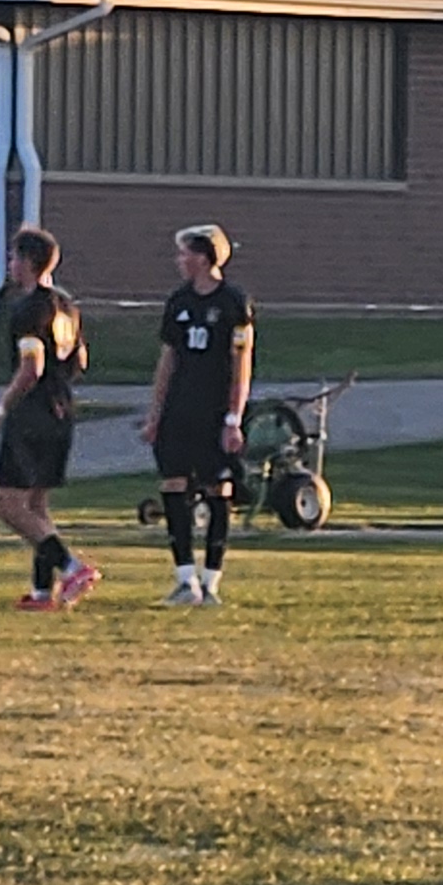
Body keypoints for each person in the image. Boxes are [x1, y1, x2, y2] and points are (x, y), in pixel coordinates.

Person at [0, 226, 98, 611]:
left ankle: (73, 567)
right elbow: (81, 360)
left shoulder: (29, 309)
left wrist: (0, 410)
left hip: (32, 413)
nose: (10, 265)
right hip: (61, 409)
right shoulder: (66, 304)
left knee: (9, 507)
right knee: (36, 507)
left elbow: (31, 367)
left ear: (28, 262)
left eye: (13, 258)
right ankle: (43, 593)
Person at [143, 223, 254, 606]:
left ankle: (211, 582)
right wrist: (155, 414)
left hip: (214, 410)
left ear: (203, 257)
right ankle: (184, 578)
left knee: (216, 488)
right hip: (179, 409)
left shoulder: (233, 303)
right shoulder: (178, 301)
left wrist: (233, 418)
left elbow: (242, 362)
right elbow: (167, 359)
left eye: (185, 253)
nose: (179, 260)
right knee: (173, 483)